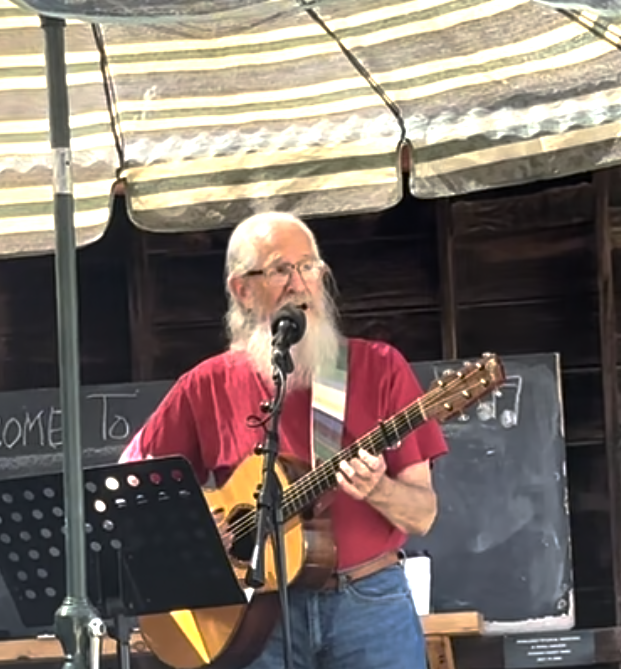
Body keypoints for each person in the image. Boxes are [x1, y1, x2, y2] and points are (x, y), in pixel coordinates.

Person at [119, 211, 448, 669]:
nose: (299, 283)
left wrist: (381, 489)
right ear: (243, 290)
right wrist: (191, 529)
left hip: (367, 605)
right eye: (279, 270)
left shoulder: (380, 367)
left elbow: (423, 514)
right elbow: (131, 479)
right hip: (251, 613)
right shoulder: (206, 384)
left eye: (309, 267)